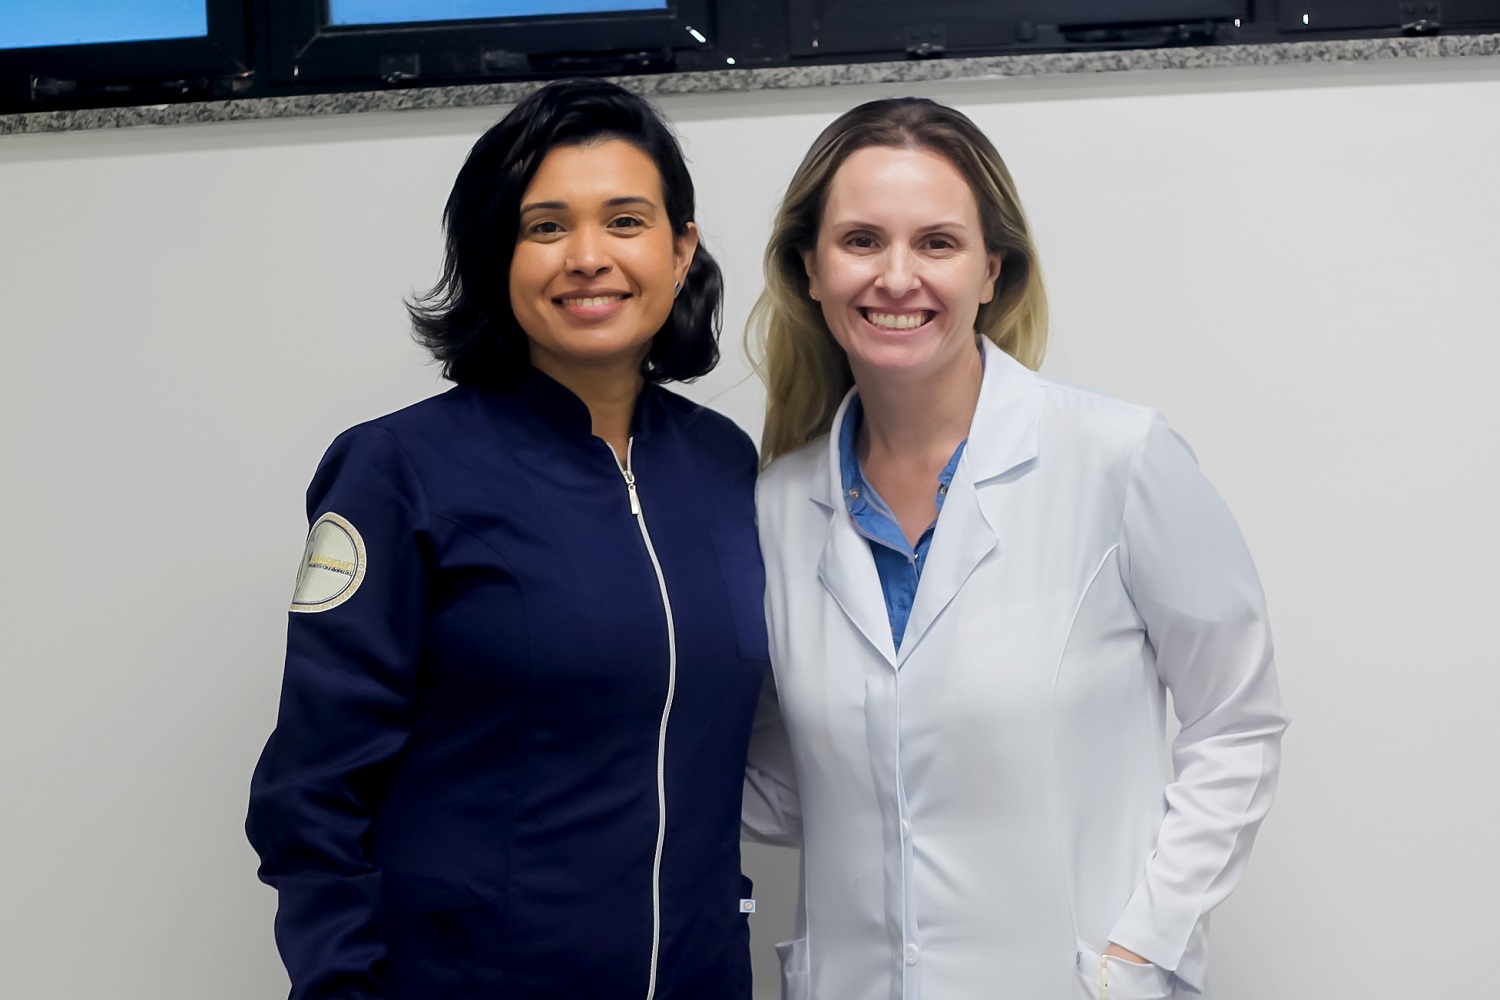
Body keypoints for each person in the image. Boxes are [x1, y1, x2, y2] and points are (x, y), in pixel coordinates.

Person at [742, 97, 1289, 1000]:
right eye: (862, 241)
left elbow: (1239, 721)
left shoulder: (1119, 459)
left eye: (938, 243)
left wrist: (1141, 948)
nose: (897, 276)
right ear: (810, 267)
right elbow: (800, 783)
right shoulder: (775, 505)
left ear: (993, 270)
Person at [247, 79, 768, 1000]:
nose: (588, 257)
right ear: (498, 255)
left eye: (626, 220)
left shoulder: (726, 467)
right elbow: (311, 796)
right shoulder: (397, 471)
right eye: (545, 227)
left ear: (681, 250)